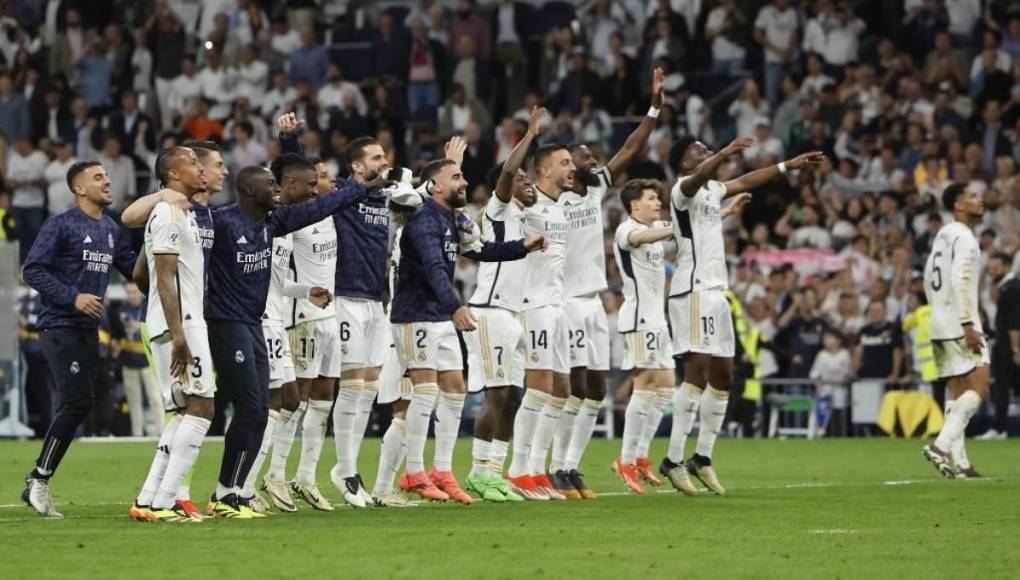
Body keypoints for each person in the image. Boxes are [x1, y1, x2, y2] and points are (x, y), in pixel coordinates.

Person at [202, 165, 377, 518]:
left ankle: (237, 491)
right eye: (270, 184)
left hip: (260, 322)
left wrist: (361, 189)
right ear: (252, 190)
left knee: (264, 408)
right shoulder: (224, 222)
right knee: (258, 406)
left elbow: (317, 210)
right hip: (236, 323)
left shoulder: (274, 224)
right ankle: (233, 490)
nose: (276, 189)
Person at [661, 135, 822, 496]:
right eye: (698, 150)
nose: (705, 152)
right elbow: (699, 178)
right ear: (685, 162)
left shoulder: (713, 189)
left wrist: (787, 165)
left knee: (724, 375)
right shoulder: (681, 190)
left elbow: (747, 180)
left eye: (708, 148)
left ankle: (702, 457)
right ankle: (672, 460)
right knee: (697, 373)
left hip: (717, 292)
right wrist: (724, 152)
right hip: (693, 290)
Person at [391, 157, 545, 503]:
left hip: (439, 316)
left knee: (455, 391)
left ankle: (442, 471)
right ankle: (414, 471)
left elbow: (481, 250)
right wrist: (455, 306)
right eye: (456, 177)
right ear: (435, 187)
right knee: (425, 392)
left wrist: (521, 246)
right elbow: (434, 266)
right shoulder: (423, 220)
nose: (464, 182)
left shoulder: (450, 219)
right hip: (416, 314)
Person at [550, 68, 664, 501]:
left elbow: (631, 147)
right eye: (581, 157)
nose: (591, 160)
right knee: (574, 387)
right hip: (566, 302)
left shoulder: (596, 187)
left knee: (597, 389)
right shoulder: (553, 199)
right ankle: (555, 467)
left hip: (595, 300)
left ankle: (571, 466)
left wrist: (653, 108)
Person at [21, 161, 137, 518]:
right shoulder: (61, 224)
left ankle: (38, 477)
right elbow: (32, 270)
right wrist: (73, 297)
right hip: (59, 324)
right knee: (76, 400)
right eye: (98, 177)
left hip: (88, 329)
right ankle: (39, 479)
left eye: (107, 175)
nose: (107, 181)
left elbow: (135, 269)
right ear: (79, 189)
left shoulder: (112, 229)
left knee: (82, 402)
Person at [462, 107, 546, 503]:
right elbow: (509, 171)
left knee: (513, 396)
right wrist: (529, 135)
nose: (529, 183)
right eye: (523, 180)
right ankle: (479, 473)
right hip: (490, 313)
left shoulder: (527, 220)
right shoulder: (499, 211)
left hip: (512, 315)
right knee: (496, 395)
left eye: (531, 179)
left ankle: (496, 472)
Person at [128, 146, 211, 523]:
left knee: (182, 411)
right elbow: (163, 276)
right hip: (183, 324)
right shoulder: (168, 212)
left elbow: (140, 273)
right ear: (174, 174)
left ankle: (147, 500)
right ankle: (165, 503)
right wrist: (178, 334)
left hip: (177, 320)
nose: (201, 168)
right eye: (193, 162)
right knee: (202, 407)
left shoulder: (181, 211)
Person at [611, 180, 676, 494]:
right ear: (635, 205)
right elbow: (641, 238)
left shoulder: (657, 228)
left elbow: (679, 228)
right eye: (651, 198)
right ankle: (625, 461)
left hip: (658, 321)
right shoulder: (627, 230)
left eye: (658, 198)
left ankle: (640, 455)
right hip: (638, 320)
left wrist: (726, 212)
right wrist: (673, 229)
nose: (658, 202)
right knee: (644, 386)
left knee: (666, 389)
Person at [922, 183, 991, 479]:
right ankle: (940, 447)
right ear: (959, 206)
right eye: (973, 196)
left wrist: (938, 309)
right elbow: (958, 280)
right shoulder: (966, 238)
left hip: (939, 319)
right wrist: (967, 324)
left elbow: (928, 276)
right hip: (960, 322)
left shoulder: (944, 234)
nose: (980, 199)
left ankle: (961, 463)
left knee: (957, 391)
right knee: (980, 388)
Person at [979, 252, 1019, 441]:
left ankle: (999, 427)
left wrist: (1015, 348)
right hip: (1001, 340)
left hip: (1009, 342)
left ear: (1007, 266)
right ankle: (999, 427)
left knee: (1006, 385)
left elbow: (1015, 320)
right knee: (1001, 385)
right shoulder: (1001, 286)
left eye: (996, 268)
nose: (992, 272)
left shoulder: (1012, 287)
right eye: (991, 269)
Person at [115, 281, 162, 437]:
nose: (131, 295)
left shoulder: (148, 308)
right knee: (134, 402)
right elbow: (117, 334)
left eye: (134, 292)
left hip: (148, 361)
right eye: (129, 292)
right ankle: (137, 435)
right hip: (128, 362)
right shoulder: (121, 310)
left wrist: (141, 327)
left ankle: (161, 432)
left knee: (155, 399)